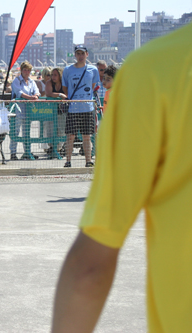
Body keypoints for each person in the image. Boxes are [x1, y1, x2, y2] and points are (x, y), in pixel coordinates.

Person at [52, 22, 192, 333]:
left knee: (84, 137)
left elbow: (92, 264)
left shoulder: (154, 70)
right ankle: (76, 158)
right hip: (88, 109)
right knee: (76, 136)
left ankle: (84, 159)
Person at [62, 45, 99, 168]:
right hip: (73, 107)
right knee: (70, 135)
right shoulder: (68, 70)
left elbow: (92, 86)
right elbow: (65, 87)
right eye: (78, 54)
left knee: (87, 136)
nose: (80, 56)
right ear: (75, 55)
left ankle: (88, 160)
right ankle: (68, 160)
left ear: (87, 54)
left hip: (87, 107)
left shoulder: (93, 70)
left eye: (82, 54)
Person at [10, 60, 40, 160]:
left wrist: (36, 96)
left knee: (27, 132)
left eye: (28, 70)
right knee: (15, 132)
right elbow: (19, 93)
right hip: (17, 110)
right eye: (25, 70)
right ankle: (13, 153)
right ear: (21, 70)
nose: (27, 72)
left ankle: (27, 151)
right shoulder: (16, 80)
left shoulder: (32, 81)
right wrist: (30, 98)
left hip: (29, 111)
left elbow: (37, 91)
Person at [46, 67, 68, 154]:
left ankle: (59, 148)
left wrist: (62, 96)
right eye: (52, 75)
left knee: (62, 130)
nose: (53, 77)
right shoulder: (49, 83)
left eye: (55, 75)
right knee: (50, 129)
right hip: (51, 110)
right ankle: (52, 147)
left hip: (62, 111)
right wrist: (59, 95)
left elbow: (67, 94)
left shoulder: (64, 83)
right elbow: (48, 93)